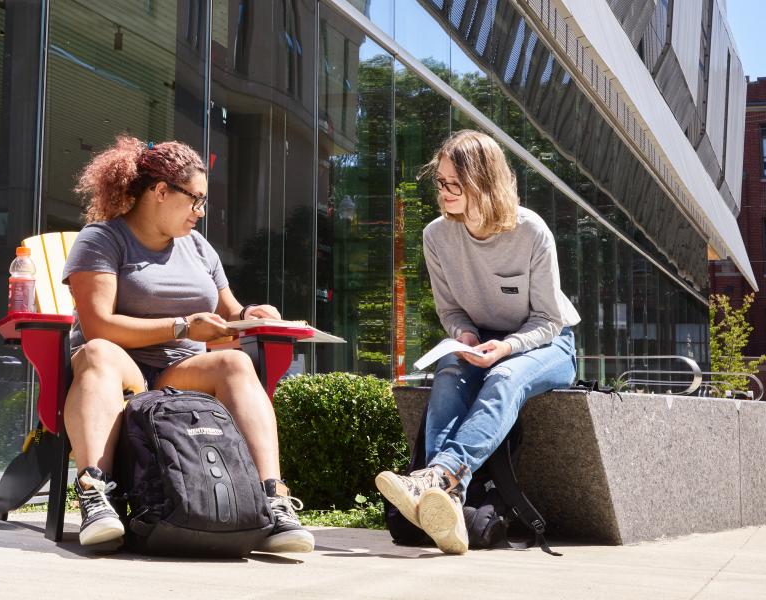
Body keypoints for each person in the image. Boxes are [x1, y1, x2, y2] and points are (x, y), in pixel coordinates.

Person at [59, 136, 313, 553]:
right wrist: (181, 327)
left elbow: (228, 317)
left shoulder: (198, 247)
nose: (201, 211)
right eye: (196, 200)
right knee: (98, 351)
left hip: (177, 375)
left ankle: (273, 501)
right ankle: (95, 494)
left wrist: (252, 317)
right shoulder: (102, 240)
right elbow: (98, 325)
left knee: (234, 363)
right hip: (121, 374)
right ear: (161, 192)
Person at [374, 130, 581, 555]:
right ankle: (445, 498)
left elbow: (548, 318)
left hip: (546, 342)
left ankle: (438, 478)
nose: (445, 192)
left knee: (504, 377)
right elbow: (450, 311)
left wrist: (505, 348)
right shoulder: (436, 236)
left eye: (455, 183)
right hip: (480, 340)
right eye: (441, 182)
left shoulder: (531, 232)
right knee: (449, 375)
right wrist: (464, 337)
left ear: (483, 183)